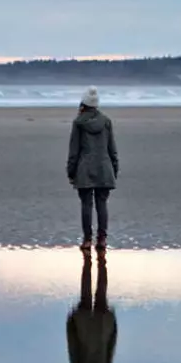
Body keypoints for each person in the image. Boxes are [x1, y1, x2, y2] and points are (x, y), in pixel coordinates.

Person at [65, 87, 119, 250]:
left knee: (86, 204)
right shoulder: (106, 121)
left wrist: (70, 171)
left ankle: (87, 239)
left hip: (84, 168)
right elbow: (112, 149)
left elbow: (74, 151)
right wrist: (114, 169)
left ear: (83, 104)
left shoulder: (78, 123)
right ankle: (102, 239)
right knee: (102, 204)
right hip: (104, 167)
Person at [65, 249, 117, 363]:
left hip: (102, 327)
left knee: (101, 292)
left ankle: (99, 262)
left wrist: (113, 323)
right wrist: (71, 322)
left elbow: (111, 344)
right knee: (86, 293)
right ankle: (90, 262)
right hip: (86, 326)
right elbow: (73, 345)